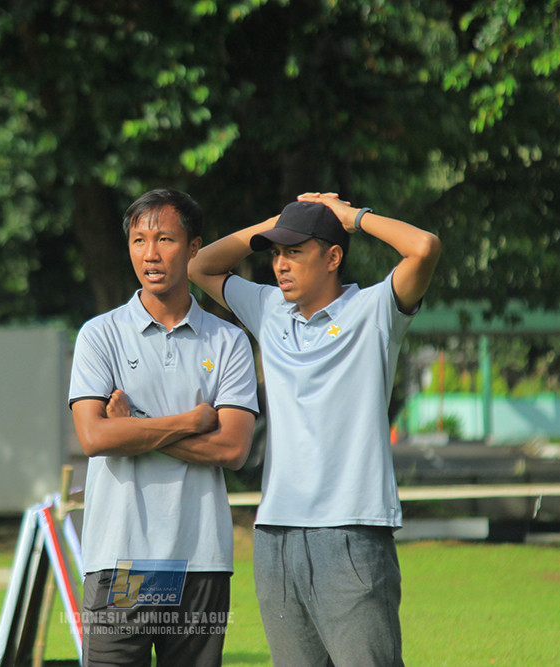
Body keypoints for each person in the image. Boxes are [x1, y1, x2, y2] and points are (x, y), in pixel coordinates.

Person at [188, 192, 441, 666]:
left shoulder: (374, 310)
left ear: (333, 257)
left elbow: (424, 247)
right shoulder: (268, 309)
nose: (279, 265)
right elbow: (199, 266)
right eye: (276, 253)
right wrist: (279, 221)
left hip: (352, 531)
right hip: (275, 536)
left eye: (294, 251)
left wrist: (350, 217)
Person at [68, 188, 260, 666]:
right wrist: (190, 422)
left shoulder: (229, 340)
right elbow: (94, 437)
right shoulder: (100, 335)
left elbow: (233, 449)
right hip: (123, 560)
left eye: (165, 239)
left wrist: (133, 428)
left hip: (201, 560)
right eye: (139, 240)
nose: (150, 254)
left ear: (194, 248)